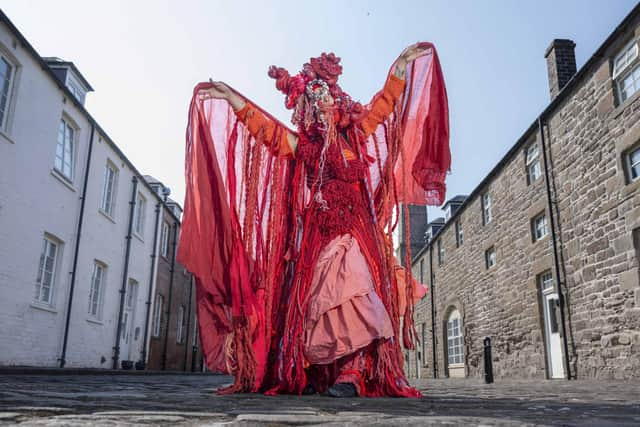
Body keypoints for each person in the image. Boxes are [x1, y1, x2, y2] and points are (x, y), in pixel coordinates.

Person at [178, 43, 450, 398]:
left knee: (357, 289)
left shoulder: (357, 133)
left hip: (356, 232)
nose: (320, 107)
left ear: (335, 102)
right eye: (312, 102)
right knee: (320, 302)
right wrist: (229, 96)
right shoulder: (303, 147)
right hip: (318, 236)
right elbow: (265, 129)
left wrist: (401, 64)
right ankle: (323, 373)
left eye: (323, 99)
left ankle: (353, 372)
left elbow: (386, 103)